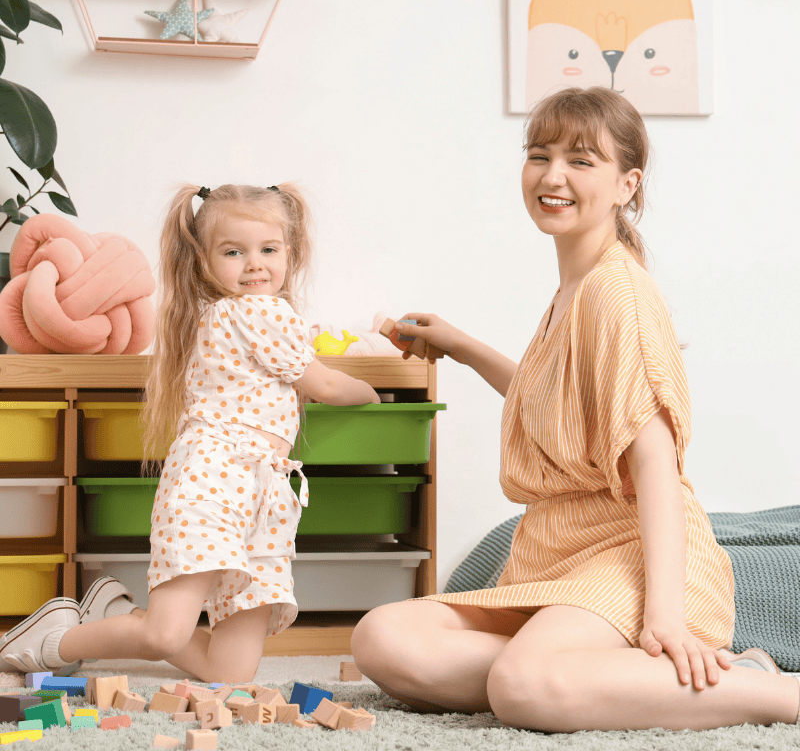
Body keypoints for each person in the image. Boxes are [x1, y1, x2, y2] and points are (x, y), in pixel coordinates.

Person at [351, 87, 800, 732]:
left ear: (627, 184)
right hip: (559, 553)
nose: (552, 176)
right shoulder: (576, 287)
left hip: (629, 552)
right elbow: (554, 404)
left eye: (582, 160)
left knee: (524, 684)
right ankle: (584, 682)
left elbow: (656, 466)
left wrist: (664, 616)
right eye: (540, 154)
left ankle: (765, 689)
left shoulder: (619, 295)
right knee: (384, 637)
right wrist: (461, 345)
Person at [0, 182, 379, 684]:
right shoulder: (257, 311)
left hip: (261, 496)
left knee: (231, 672)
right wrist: (372, 393)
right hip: (214, 484)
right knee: (165, 636)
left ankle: (117, 615)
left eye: (269, 249)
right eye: (234, 252)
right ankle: (51, 642)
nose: (255, 265)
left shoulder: (232, 315)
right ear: (202, 260)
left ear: (291, 252)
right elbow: (327, 384)